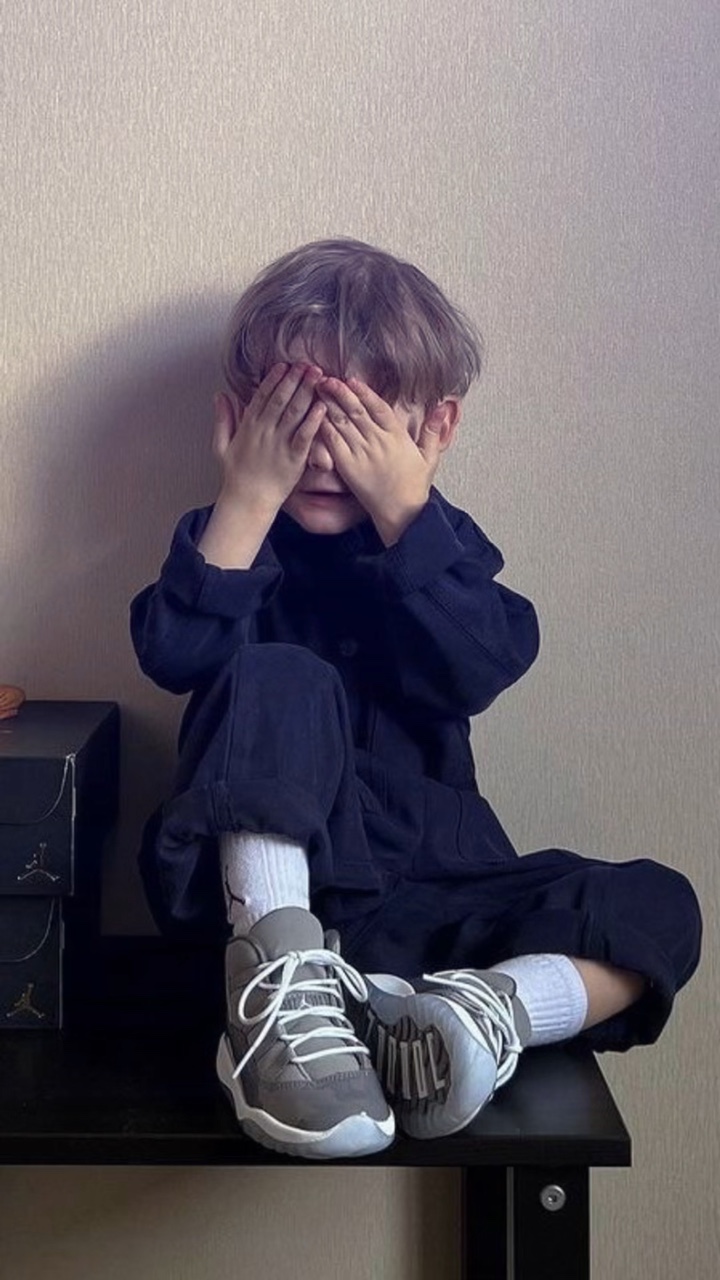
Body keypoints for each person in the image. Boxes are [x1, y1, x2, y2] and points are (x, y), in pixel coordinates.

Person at [130, 238, 701, 1160]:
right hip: (274, 910)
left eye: (360, 423)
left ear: (434, 430)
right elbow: (174, 652)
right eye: (300, 416)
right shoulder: (228, 539)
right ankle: (281, 1002)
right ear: (240, 418)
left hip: (438, 898)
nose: (327, 455)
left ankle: (484, 1014)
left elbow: (482, 665)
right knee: (279, 670)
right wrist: (245, 500)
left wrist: (406, 513)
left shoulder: (442, 545)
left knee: (663, 902)